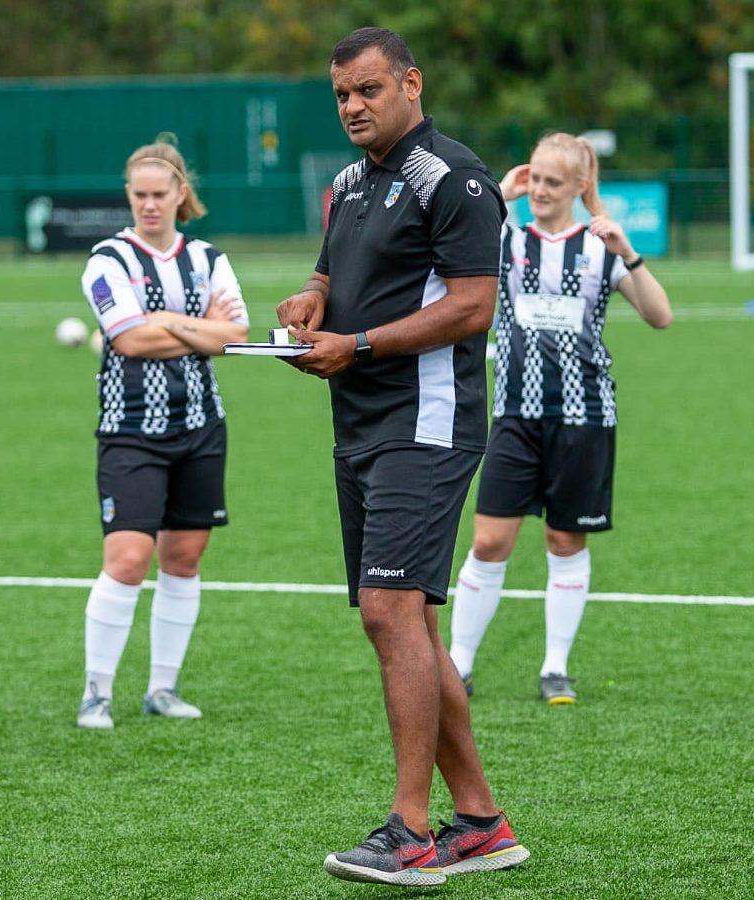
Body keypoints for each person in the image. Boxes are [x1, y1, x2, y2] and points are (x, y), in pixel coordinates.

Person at [276, 27, 528, 887]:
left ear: (412, 84)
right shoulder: (347, 183)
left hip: (426, 423)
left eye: (369, 90)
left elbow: (471, 308)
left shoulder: (454, 178)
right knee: (408, 622)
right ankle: (485, 825)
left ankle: (411, 832)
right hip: (360, 425)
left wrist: (361, 345)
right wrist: (310, 302)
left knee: (389, 612)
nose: (352, 107)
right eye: (341, 94)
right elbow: (327, 277)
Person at [447, 134, 673, 705]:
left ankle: (555, 668)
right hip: (514, 416)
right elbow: (448, 249)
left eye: (554, 182)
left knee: (564, 538)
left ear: (579, 188)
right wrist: (500, 194)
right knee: (490, 539)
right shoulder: (507, 238)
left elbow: (660, 317)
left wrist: (629, 251)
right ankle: (458, 666)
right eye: (536, 179)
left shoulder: (600, 248)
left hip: (584, 418)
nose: (541, 191)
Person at [75, 137, 249, 730]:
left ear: (181, 194)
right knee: (127, 558)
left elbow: (239, 334)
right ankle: (96, 692)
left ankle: (162, 688)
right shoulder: (107, 260)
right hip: (131, 429)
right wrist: (202, 328)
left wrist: (167, 320)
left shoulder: (209, 258)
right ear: (129, 195)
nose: (149, 205)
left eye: (159, 194)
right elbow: (128, 339)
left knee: (184, 556)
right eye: (139, 195)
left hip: (201, 426)